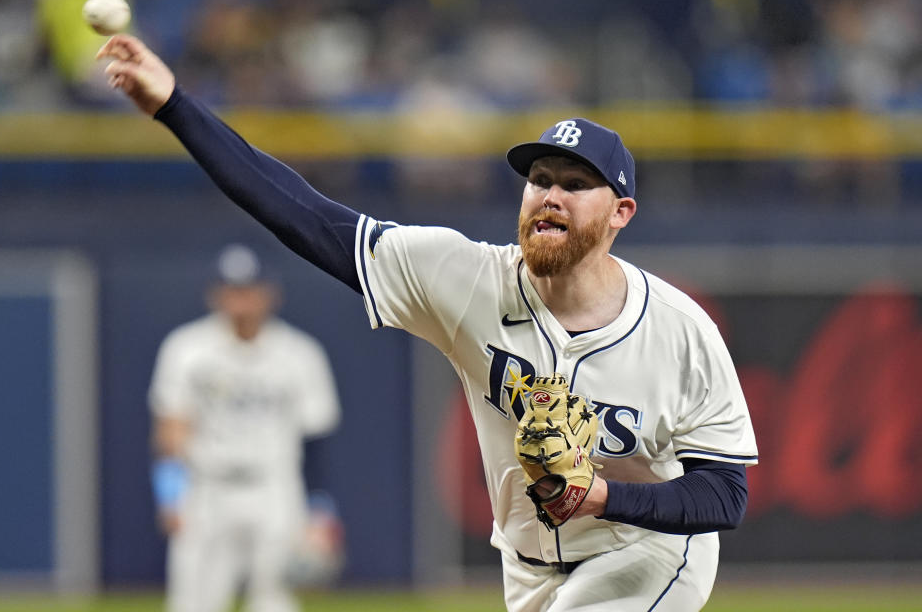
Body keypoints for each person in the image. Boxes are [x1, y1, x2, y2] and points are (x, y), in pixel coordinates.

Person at [102, 34, 757, 612]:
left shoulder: (678, 330)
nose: (550, 193)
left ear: (621, 213)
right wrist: (174, 107)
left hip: (645, 553)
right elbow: (305, 217)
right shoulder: (465, 278)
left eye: (576, 183)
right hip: (527, 567)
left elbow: (723, 496)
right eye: (540, 178)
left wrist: (604, 497)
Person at [148, 243, 342, 612]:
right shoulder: (187, 348)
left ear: (270, 294)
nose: (241, 299)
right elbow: (170, 426)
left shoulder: (300, 354)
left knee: (273, 601)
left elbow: (316, 437)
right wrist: (170, 493)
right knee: (191, 603)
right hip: (207, 488)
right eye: (232, 289)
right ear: (215, 295)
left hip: (275, 488)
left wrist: (319, 512)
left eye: (249, 289)